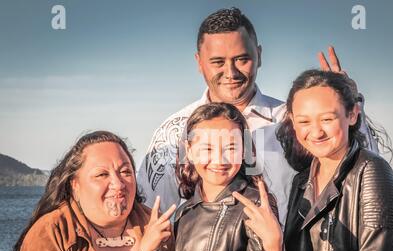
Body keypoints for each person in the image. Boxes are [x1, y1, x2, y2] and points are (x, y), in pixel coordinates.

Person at [136, 7, 377, 226]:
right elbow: (147, 214)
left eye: (242, 59)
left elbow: (363, 174)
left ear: (259, 55)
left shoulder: (292, 122)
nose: (230, 72)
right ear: (199, 62)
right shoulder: (174, 133)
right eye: (217, 62)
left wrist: (347, 106)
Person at [276, 69, 393, 251]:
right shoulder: (301, 181)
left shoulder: (372, 172)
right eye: (304, 121)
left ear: (352, 114)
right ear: (292, 121)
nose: (316, 131)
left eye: (327, 119)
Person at [138, 103, 287, 251]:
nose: (219, 159)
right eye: (207, 148)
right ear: (189, 151)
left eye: (231, 147)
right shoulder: (185, 212)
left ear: (244, 150)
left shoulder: (255, 206)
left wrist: (273, 247)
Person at [5, 131, 175, 251]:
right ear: (75, 185)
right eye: (102, 174)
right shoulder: (52, 235)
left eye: (125, 172)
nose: (118, 184)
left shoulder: (154, 226)